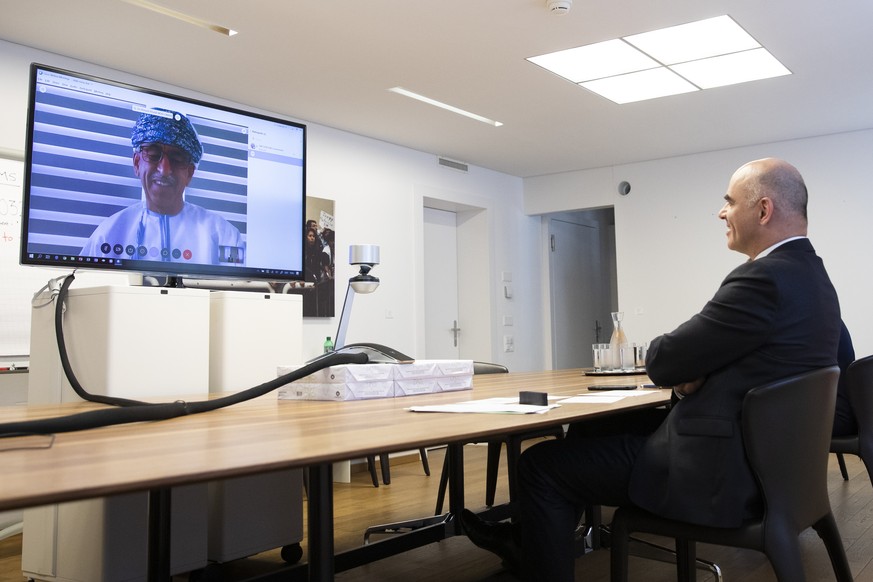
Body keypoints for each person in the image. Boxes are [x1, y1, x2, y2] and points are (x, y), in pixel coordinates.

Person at [461, 158, 843, 581]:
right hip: (767, 466)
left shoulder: (763, 279)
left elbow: (662, 359)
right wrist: (696, 375)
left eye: (729, 202)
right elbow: (733, 363)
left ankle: (530, 552)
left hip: (716, 471)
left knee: (540, 466)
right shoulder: (814, 279)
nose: (722, 213)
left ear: (763, 210)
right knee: (588, 432)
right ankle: (532, 544)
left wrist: (691, 372)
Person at [81, 109, 244, 265]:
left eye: (177, 158)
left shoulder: (224, 235)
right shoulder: (108, 234)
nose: (164, 170)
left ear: (189, 173)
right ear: (137, 163)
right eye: (153, 155)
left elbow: (241, 290)